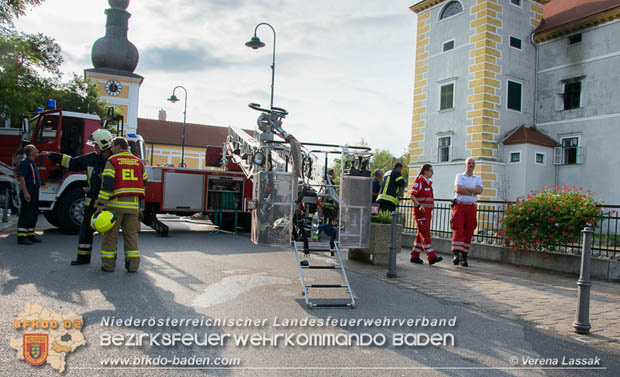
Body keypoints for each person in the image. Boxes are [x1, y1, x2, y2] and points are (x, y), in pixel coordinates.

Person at [43, 129, 114, 265]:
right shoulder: (91, 158)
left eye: (96, 145)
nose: (94, 147)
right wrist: (52, 156)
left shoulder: (114, 160)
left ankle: (110, 261)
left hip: (107, 203)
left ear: (103, 144)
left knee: (110, 234)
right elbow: (72, 163)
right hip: (91, 201)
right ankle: (83, 257)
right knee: (85, 230)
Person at [96, 137, 147, 272]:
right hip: (133, 207)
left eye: (112, 146)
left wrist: (101, 204)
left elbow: (107, 183)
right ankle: (133, 266)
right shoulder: (138, 162)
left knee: (110, 237)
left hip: (115, 207)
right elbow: (144, 182)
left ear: (118, 146)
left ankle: (108, 266)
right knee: (131, 237)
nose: (111, 149)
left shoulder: (112, 161)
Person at [451, 158, 483, 267]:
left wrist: (466, 190)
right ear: (465, 165)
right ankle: (456, 254)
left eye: (473, 163)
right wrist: (472, 192)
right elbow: (458, 189)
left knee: (469, 231)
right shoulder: (459, 176)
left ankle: (464, 256)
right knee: (458, 229)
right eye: (469, 163)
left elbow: (479, 190)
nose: (471, 165)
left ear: (475, 165)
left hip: (471, 207)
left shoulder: (478, 178)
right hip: (459, 206)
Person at [410, 164, 442, 265]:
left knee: (421, 234)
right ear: (425, 171)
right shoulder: (419, 182)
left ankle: (414, 256)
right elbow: (412, 195)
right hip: (421, 213)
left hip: (427, 213)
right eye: (431, 171)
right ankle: (431, 256)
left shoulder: (427, 183)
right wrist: (419, 205)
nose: (432, 173)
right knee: (425, 233)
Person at [16, 144, 41, 245]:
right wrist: (25, 192)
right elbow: (21, 178)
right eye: (35, 150)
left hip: (34, 191)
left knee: (33, 213)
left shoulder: (32, 163)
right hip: (29, 191)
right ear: (30, 152)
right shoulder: (25, 163)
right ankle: (22, 237)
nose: (37, 151)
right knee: (26, 214)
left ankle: (30, 234)